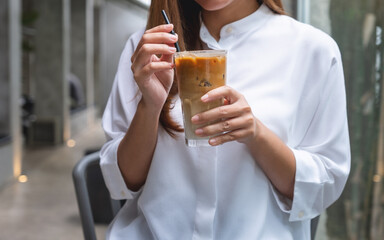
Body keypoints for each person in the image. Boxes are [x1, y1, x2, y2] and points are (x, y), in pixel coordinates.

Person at [100, 0, 351, 239]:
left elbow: (322, 186)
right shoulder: (147, 50)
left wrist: (256, 134)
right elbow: (122, 182)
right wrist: (150, 107)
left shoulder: (312, 50)